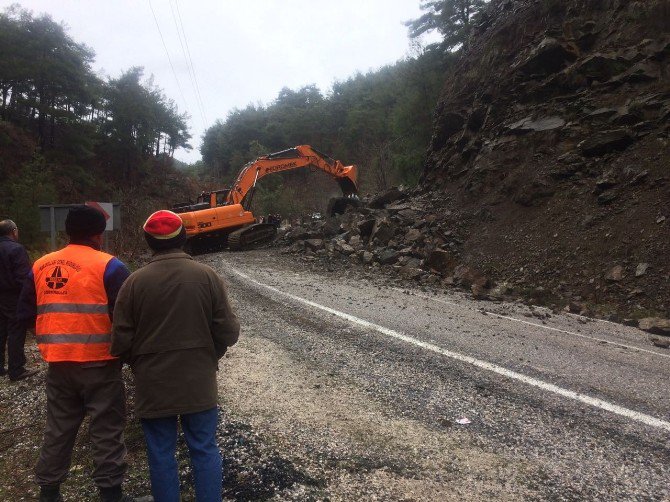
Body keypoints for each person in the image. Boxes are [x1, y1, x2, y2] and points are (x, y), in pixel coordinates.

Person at [111, 210, 240, 502]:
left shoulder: (133, 283)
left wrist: (141, 361)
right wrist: (210, 354)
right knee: (205, 448)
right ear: (183, 238)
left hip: (153, 384)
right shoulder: (207, 277)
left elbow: (120, 341)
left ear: (148, 241)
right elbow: (229, 333)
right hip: (199, 380)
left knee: (160, 454)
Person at [17, 206, 133, 502]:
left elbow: (25, 314)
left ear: (67, 231)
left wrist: (52, 340)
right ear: (98, 234)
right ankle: (110, 494)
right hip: (100, 363)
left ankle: (50, 492)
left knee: (58, 429)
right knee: (106, 429)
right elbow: (127, 318)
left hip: (58, 363)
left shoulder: (40, 265)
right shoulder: (111, 266)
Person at [0, 219, 37, 381]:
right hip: (13, 296)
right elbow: (24, 278)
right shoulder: (16, 249)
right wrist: (30, 299)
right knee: (16, 331)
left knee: (1, 331)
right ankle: (16, 369)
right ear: (13, 231)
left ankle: (1, 368)